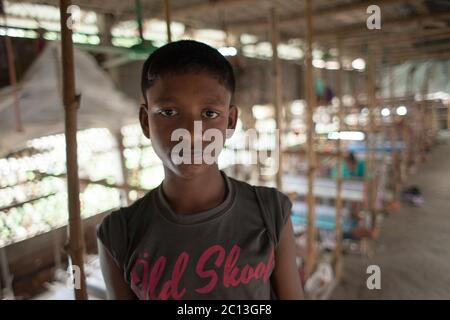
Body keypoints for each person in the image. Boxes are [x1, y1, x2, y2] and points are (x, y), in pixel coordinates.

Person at [97, 40, 303, 300]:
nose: (192, 134)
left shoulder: (270, 212)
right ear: (144, 121)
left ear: (230, 121)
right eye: (169, 112)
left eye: (208, 113)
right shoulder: (119, 234)